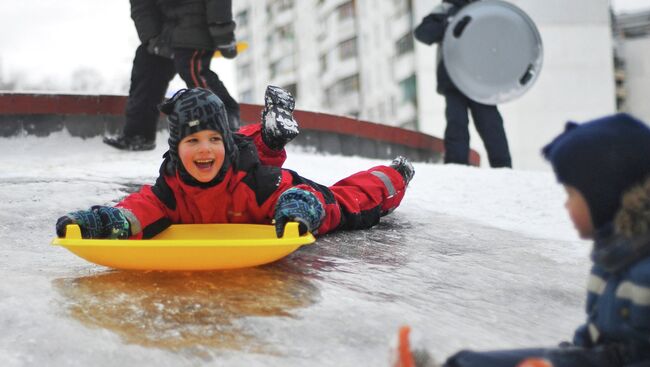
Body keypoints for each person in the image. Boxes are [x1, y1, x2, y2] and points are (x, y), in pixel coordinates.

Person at [393, 113, 650, 367]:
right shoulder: (610, 259)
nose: (566, 204)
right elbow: (591, 342)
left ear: (603, 197)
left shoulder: (643, 273)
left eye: (571, 194)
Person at [57, 87, 415, 240]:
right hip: (243, 160)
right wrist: (104, 221)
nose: (204, 150)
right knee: (240, 149)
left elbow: (303, 194)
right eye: (192, 141)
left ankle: (393, 175)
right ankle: (267, 137)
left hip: (273, 184)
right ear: (175, 149)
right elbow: (136, 210)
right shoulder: (172, 187)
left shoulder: (256, 182)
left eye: (213, 140)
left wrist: (300, 206)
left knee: (348, 203)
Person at [103, 0, 240, 151]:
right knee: (147, 65)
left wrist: (222, 32)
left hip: (198, 24)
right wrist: (152, 38)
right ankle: (139, 135)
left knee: (192, 70)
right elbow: (141, 6)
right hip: (165, 30)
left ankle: (228, 122)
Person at [414, 0, 512, 168]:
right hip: (454, 79)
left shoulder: (486, 9)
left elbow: (504, 38)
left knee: (491, 125)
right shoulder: (446, 9)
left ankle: (504, 169)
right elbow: (423, 33)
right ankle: (456, 167)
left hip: (481, 80)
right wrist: (450, 23)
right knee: (457, 123)